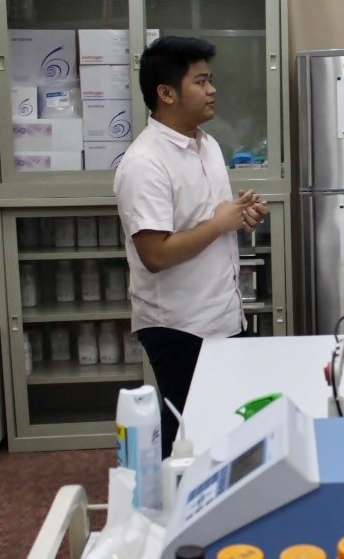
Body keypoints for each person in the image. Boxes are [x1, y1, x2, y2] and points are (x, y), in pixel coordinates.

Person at [114, 36, 268, 457]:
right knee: (187, 435)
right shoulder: (144, 163)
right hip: (178, 325)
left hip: (223, 312)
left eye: (210, 79)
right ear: (166, 93)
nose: (212, 89)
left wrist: (240, 215)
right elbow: (156, 254)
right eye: (200, 81)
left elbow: (210, 218)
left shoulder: (208, 145)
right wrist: (220, 222)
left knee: (227, 427)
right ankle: (171, 514)